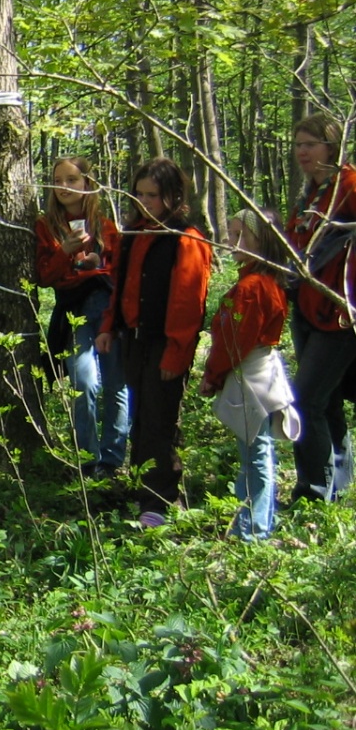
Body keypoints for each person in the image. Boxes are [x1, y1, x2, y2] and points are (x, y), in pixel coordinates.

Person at [95, 157, 212, 528]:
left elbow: (187, 303)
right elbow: (121, 287)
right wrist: (109, 326)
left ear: (173, 196)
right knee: (140, 418)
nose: (146, 202)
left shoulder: (186, 238)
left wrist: (177, 353)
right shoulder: (133, 233)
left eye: (154, 196)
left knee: (160, 420)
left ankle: (160, 500)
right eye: (140, 194)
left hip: (166, 344)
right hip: (133, 339)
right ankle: (142, 489)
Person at [198, 208, 296, 540]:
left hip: (252, 378)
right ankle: (254, 521)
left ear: (261, 240)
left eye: (240, 234)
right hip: (254, 375)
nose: (231, 240)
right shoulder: (253, 281)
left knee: (256, 453)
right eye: (231, 232)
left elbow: (236, 342)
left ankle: (255, 530)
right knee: (254, 452)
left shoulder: (254, 287)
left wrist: (212, 374)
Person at [34, 156, 129, 477]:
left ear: (87, 183)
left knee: (116, 383)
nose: (64, 187)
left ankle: (113, 460)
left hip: (106, 306)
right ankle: (88, 462)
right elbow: (43, 277)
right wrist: (64, 253)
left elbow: (119, 274)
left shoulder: (104, 225)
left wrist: (95, 264)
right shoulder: (45, 226)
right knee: (84, 382)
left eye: (72, 180)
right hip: (72, 309)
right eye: (57, 180)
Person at [285, 113, 356, 503]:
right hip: (307, 310)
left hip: (339, 315)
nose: (302, 152)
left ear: (332, 145)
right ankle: (338, 487)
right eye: (298, 144)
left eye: (310, 144)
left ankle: (312, 492)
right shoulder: (310, 193)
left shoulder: (349, 185)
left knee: (304, 399)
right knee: (325, 401)